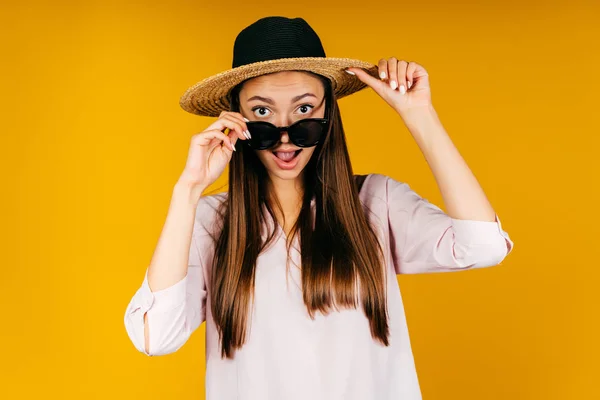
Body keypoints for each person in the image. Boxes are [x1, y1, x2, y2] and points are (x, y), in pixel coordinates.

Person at [124, 16, 513, 400]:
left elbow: (484, 245)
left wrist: (419, 114)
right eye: (262, 112)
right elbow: (154, 336)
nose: (285, 134)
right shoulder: (211, 223)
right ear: (236, 117)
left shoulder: (377, 203)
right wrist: (188, 190)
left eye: (304, 109)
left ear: (328, 113)